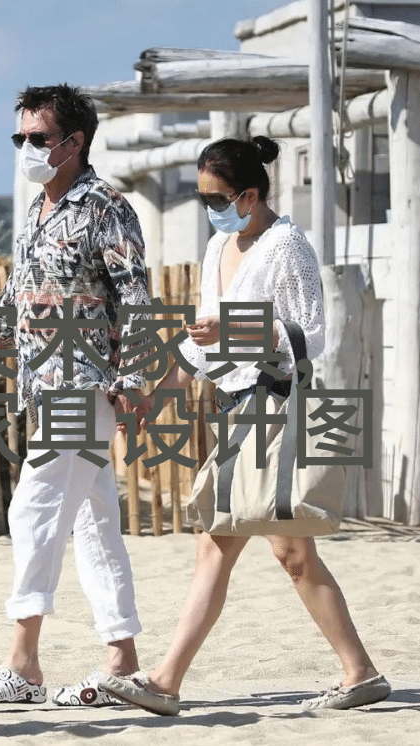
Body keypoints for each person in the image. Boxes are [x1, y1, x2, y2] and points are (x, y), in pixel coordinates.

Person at [99, 136, 391, 714]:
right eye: (203, 197)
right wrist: (157, 396)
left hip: (274, 409)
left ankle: (353, 672)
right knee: (231, 546)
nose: (210, 208)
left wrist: (234, 330)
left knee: (284, 551)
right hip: (235, 411)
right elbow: (202, 343)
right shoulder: (218, 247)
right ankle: (170, 680)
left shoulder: (288, 246)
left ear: (250, 195)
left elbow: (312, 334)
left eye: (218, 198)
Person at [0, 84, 151, 707]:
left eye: (38, 137)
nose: (26, 147)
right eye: (20, 137)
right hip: (48, 385)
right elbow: (17, 296)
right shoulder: (37, 209)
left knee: (33, 509)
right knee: (94, 523)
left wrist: (134, 378)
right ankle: (122, 662)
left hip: (83, 385)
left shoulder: (106, 207)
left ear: (74, 141)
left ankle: (24, 665)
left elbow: (136, 297)